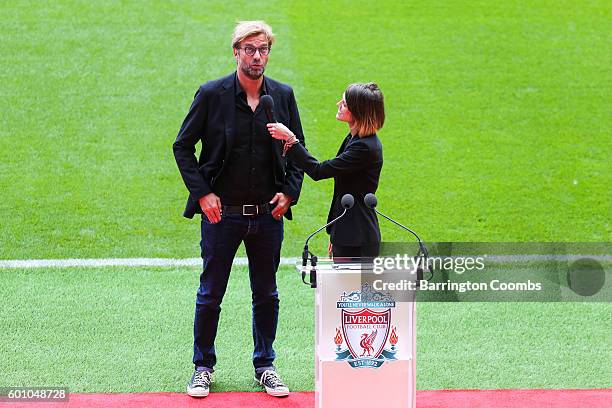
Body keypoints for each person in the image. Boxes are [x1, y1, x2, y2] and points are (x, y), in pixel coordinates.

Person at [172, 21, 305, 398]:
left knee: (267, 293)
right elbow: (182, 146)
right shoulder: (212, 95)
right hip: (222, 215)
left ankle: (265, 365)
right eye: (249, 49)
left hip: (268, 216)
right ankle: (202, 367)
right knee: (211, 293)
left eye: (263, 49)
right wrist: (202, 194)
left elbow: (296, 149)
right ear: (236, 51)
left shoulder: (282, 95)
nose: (257, 56)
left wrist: (290, 193)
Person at [267, 83, 384, 258]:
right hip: (348, 232)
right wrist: (337, 234)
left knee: (351, 286)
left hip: (357, 237)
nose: (338, 104)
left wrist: (290, 139)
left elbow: (319, 171)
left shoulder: (364, 147)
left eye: (344, 103)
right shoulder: (355, 139)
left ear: (357, 111)